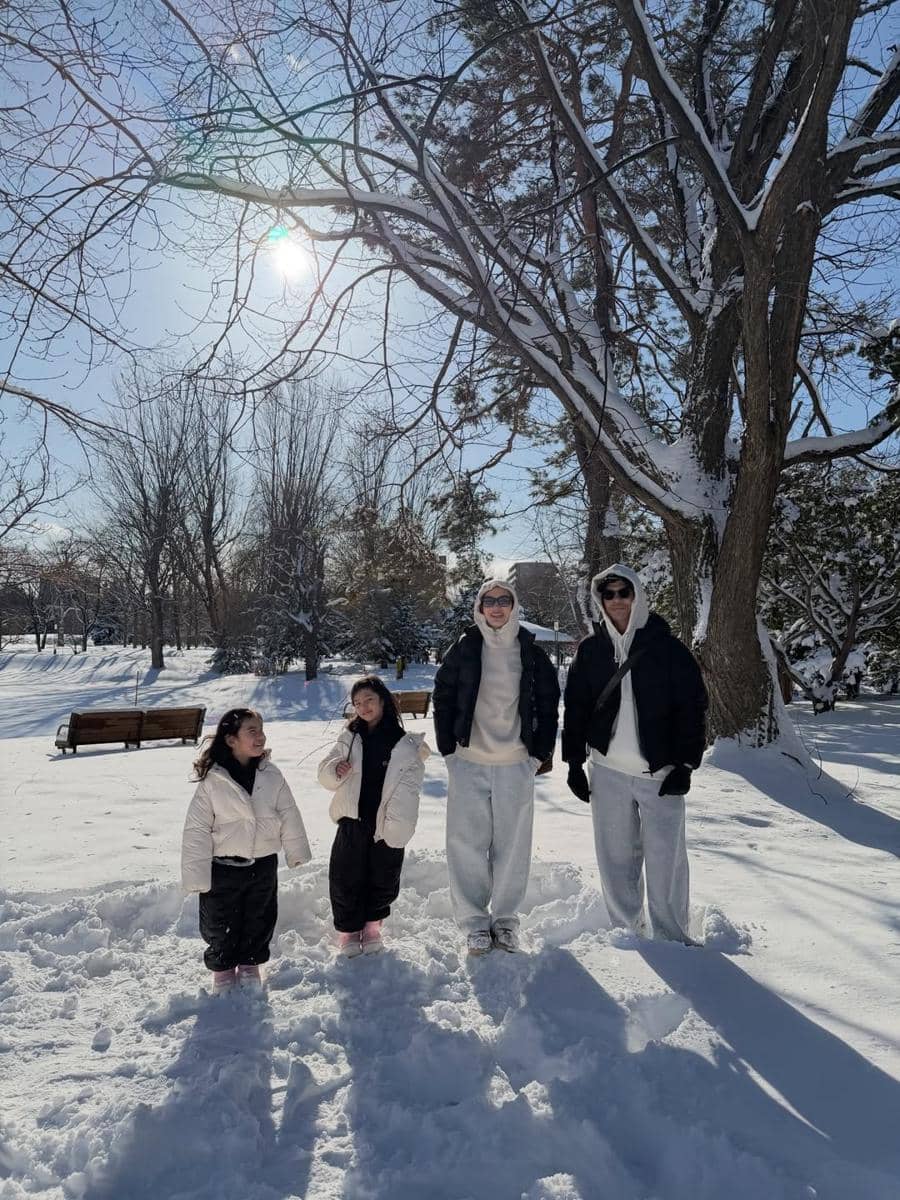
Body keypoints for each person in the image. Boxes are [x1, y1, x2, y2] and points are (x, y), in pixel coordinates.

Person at [562, 564, 707, 943]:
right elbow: (576, 706)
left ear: (637, 595)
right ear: (600, 600)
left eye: (623, 593)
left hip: (659, 772)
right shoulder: (591, 650)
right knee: (615, 858)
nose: (616, 601)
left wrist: (686, 764)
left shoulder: (667, 648)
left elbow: (693, 707)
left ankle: (672, 935)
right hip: (607, 770)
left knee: (666, 861)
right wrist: (574, 762)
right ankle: (626, 932)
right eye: (607, 595)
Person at [433, 579, 560, 955]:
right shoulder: (465, 647)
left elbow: (550, 703)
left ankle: (505, 922)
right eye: (489, 601)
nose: (497, 607)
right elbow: (443, 694)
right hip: (469, 761)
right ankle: (473, 922)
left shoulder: (530, 651)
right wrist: (448, 749)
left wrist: (538, 754)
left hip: (515, 763)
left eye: (504, 600)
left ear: (514, 605)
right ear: (480, 606)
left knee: (513, 846)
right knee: (466, 844)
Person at [182, 708, 311, 993]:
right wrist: (196, 875)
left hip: (263, 863)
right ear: (231, 740)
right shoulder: (213, 781)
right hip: (223, 866)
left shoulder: (271, 774)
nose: (260, 736)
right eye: (251, 731)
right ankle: (224, 969)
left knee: (260, 917)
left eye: (261, 730)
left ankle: (251, 964)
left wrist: (296, 850)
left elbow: (289, 812)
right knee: (219, 922)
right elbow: (196, 829)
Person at [317, 675, 430, 958]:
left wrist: (402, 823)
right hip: (352, 819)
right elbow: (324, 772)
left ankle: (371, 926)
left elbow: (411, 787)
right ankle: (348, 930)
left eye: (369, 700)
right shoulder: (350, 737)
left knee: (383, 875)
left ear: (382, 700)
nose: (363, 707)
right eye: (357, 703)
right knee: (345, 876)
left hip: (386, 821)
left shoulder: (403, 742)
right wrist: (334, 770)